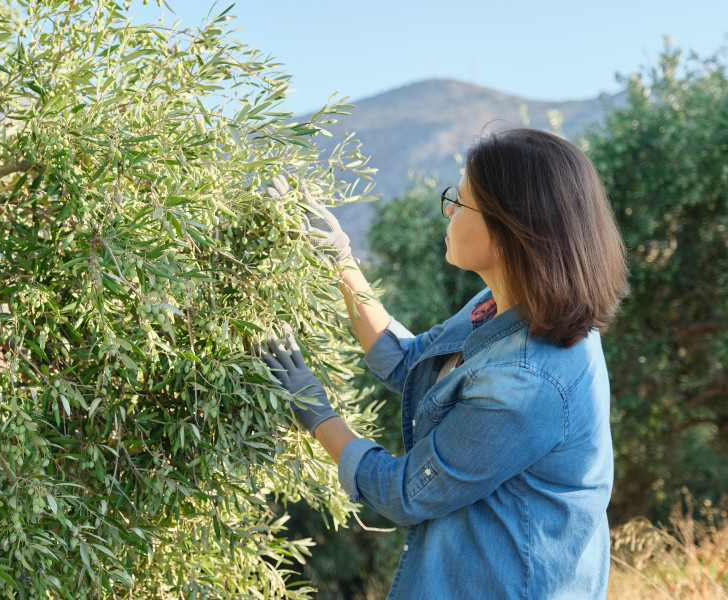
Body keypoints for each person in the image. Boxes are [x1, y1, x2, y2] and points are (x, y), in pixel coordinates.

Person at [262, 128, 629, 599]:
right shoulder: (502, 307)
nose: (450, 211)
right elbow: (409, 362)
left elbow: (404, 493)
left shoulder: (526, 381)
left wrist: (314, 410)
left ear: (510, 228)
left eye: (461, 201)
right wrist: (340, 258)